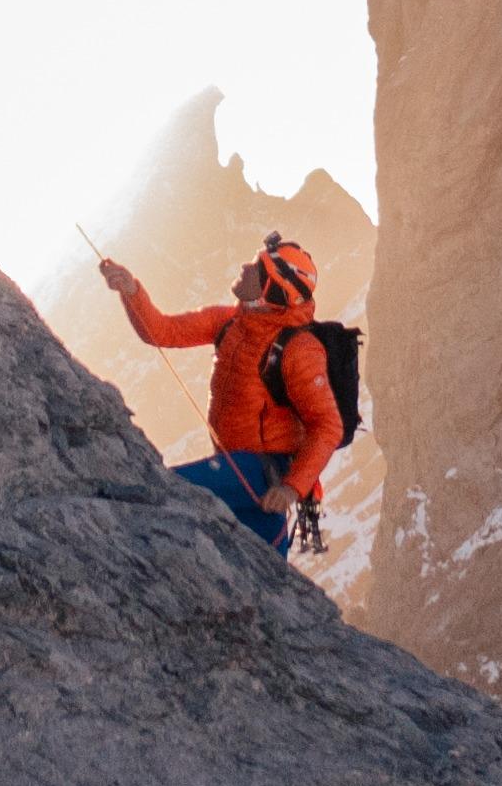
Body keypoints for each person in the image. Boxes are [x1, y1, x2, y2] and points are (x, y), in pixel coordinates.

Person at [98, 232, 341, 557]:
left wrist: (291, 487)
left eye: (256, 268)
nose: (245, 267)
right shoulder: (231, 322)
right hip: (240, 473)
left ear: (271, 291)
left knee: (166, 490)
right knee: (263, 572)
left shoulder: (299, 351)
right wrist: (131, 291)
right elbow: (162, 331)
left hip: (262, 474)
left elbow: (327, 426)